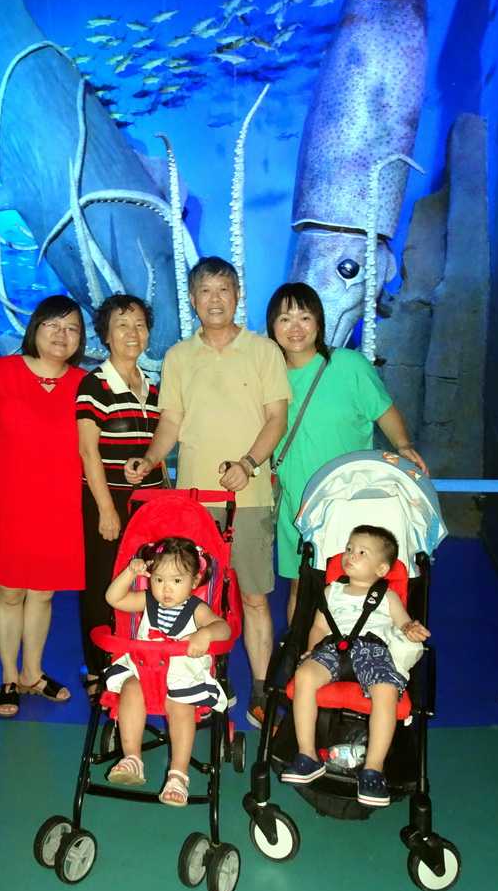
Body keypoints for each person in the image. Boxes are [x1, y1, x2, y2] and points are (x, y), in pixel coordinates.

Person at [126, 257, 290, 728]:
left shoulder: (264, 352)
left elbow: (275, 417)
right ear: (193, 299)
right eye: (205, 291)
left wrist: (248, 464)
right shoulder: (178, 357)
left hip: (251, 496)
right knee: (200, 596)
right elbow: (170, 424)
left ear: (238, 295)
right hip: (192, 504)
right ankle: (209, 677)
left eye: (224, 289)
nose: (215, 299)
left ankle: (261, 688)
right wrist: (151, 460)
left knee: (255, 596)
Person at [266, 282, 428, 624]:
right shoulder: (268, 375)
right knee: (300, 587)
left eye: (304, 317)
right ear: (272, 327)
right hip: (296, 502)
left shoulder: (349, 365)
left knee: (353, 586)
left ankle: (355, 661)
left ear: (319, 323)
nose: (295, 328)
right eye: (285, 319)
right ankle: (301, 658)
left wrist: (402, 446)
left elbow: (384, 410)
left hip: (350, 501)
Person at [0, 295, 87, 717]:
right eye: (53, 325)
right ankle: (8, 676)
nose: (61, 334)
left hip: (60, 505)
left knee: (44, 593)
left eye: (71, 328)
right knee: (11, 590)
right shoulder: (1, 373)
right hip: (8, 502)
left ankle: (34, 673)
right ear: (35, 329)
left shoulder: (82, 383)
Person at [280, 525, 430, 807]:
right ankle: (307, 754)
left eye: (362, 552)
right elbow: (318, 626)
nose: (350, 555)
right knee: (304, 676)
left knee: (385, 691)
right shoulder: (331, 591)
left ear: (382, 569)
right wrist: (312, 649)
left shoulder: (387, 596)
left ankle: (373, 769)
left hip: (372, 651)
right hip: (331, 648)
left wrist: (411, 628)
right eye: (349, 548)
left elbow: (403, 623)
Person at [76, 295, 164, 705]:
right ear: (106, 335)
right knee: (101, 584)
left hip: (149, 506)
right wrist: (107, 509)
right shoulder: (94, 383)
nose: (133, 333)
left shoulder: (153, 386)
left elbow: (155, 449)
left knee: (141, 581)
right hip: (106, 499)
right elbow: (88, 451)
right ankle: (96, 669)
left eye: (140, 324)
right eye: (122, 325)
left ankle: (132, 661)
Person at [104, 537, 232, 806]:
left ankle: (178, 774)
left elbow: (224, 628)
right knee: (129, 688)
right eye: (159, 579)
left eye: (176, 581)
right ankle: (132, 759)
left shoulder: (196, 609)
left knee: (181, 706)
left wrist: (205, 634)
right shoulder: (147, 601)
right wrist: (130, 571)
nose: (166, 589)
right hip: (143, 671)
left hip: (181, 676)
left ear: (194, 582)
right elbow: (113, 598)